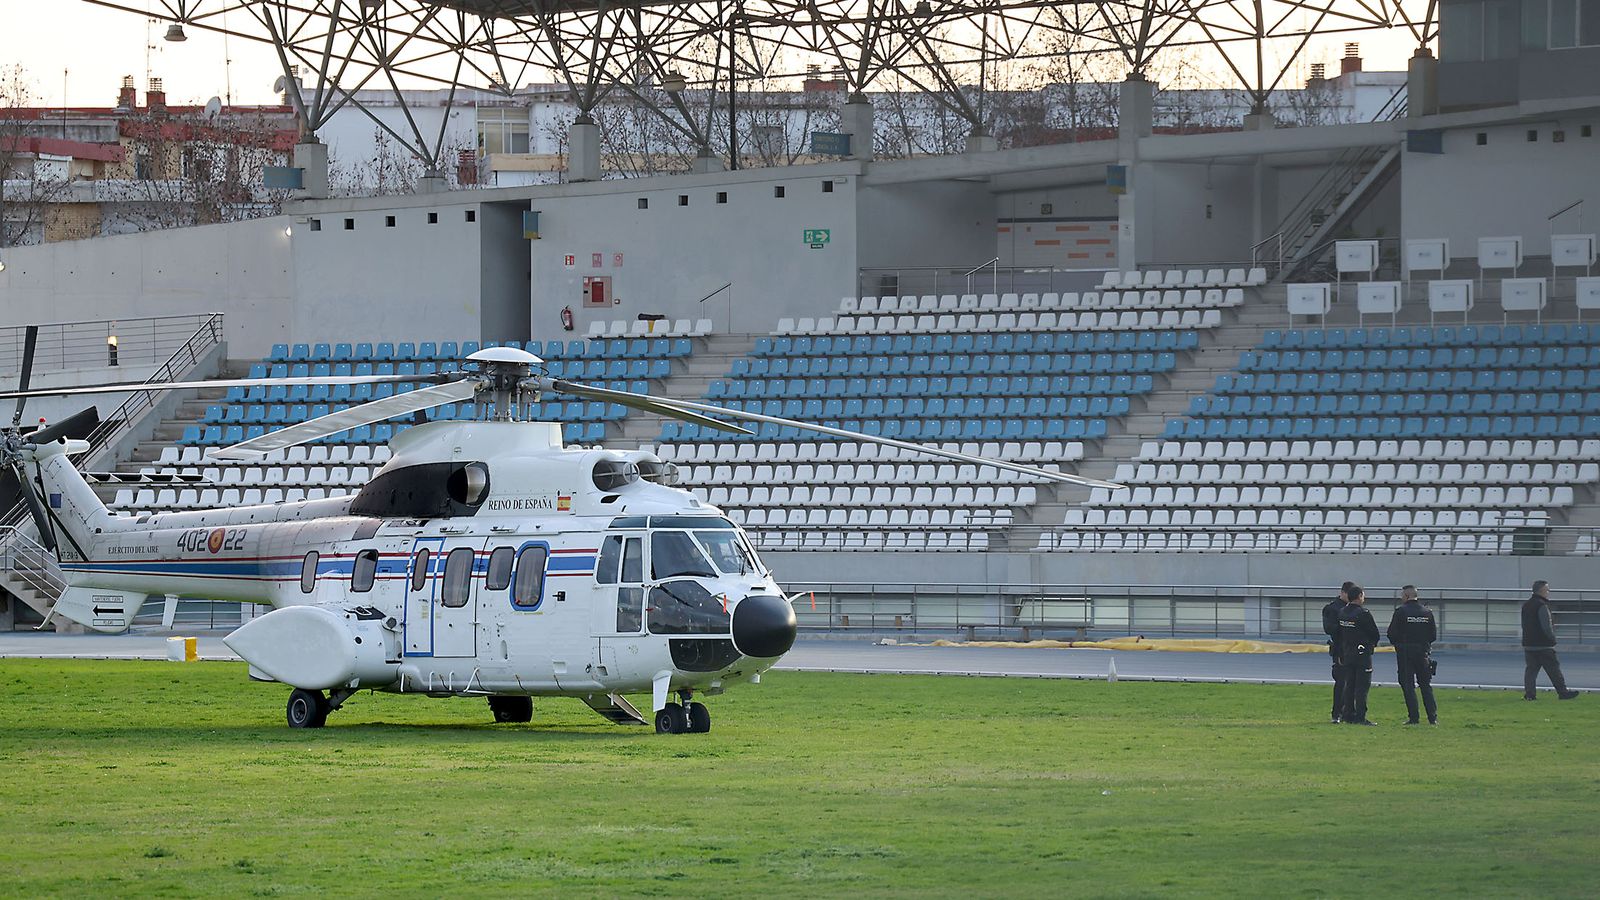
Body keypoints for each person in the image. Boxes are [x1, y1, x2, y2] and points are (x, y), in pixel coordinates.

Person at [1386, 585, 1438, 724]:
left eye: (1402, 595)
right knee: (1425, 685)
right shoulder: (1427, 612)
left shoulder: (1400, 612)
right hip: (1423, 653)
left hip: (1405, 653)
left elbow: (1391, 633)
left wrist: (1399, 643)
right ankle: (1432, 717)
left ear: (1407, 596)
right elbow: (1433, 635)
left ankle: (1414, 717)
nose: (1401, 598)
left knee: (1408, 685)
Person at [1522, 580, 1580, 701]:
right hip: (1543, 645)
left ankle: (1530, 695)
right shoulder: (1542, 605)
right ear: (1542, 591)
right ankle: (1563, 692)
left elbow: (1524, 625)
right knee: (1554, 670)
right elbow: (1546, 626)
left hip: (1528, 644)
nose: (1548, 592)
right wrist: (1552, 639)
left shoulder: (1526, 605)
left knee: (1531, 671)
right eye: (1547, 589)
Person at [1338, 585, 1380, 725]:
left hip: (1348, 652)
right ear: (1360, 596)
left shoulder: (1342, 612)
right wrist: (1371, 644)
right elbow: (1374, 634)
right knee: (1362, 687)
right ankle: (1360, 716)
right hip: (1362, 654)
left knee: (1349, 685)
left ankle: (1347, 714)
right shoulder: (1363, 613)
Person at [1322, 582, 1354, 723]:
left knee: (1354, 682)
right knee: (1342, 682)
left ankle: (1349, 712)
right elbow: (1329, 628)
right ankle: (1337, 713)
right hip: (1341, 648)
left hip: (1353, 648)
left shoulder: (1353, 608)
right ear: (1343, 593)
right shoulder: (1332, 608)